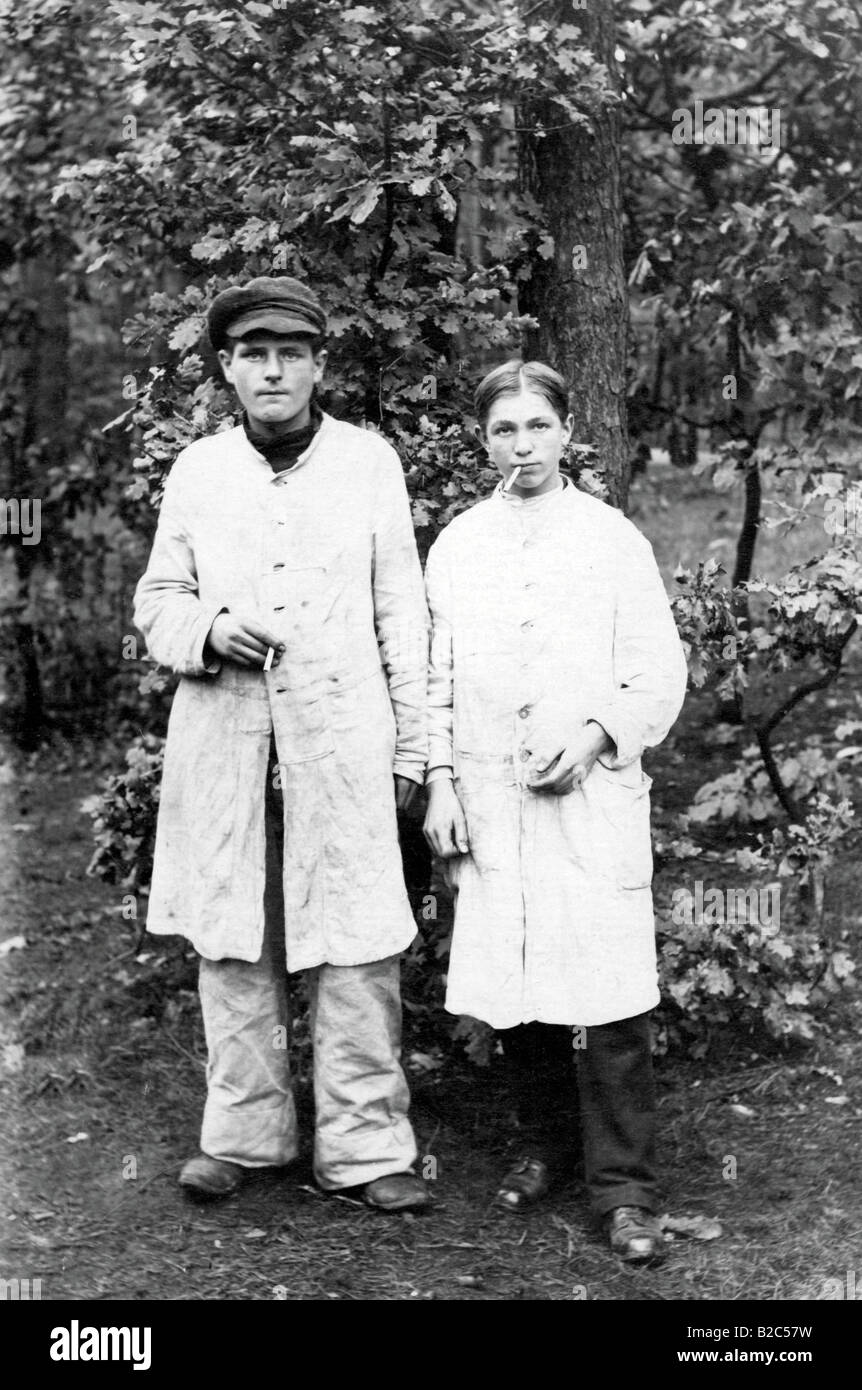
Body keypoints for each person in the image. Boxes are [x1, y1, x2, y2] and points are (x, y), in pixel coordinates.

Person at [134, 275, 431, 1212]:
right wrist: (209, 628)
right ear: (226, 367)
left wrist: (415, 752)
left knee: (356, 939)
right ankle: (244, 1135)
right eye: (254, 355)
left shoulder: (368, 464)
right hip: (224, 743)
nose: (273, 370)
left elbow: (403, 614)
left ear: (317, 367)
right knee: (231, 937)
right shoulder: (199, 472)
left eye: (291, 354)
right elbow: (157, 601)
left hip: (341, 737)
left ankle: (369, 1146)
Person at [423, 359, 688, 1261]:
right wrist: (443, 784)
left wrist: (594, 735)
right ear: (483, 438)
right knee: (520, 985)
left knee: (609, 993)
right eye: (505, 429)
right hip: (494, 798)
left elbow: (659, 673)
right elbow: (434, 679)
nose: (522, 445)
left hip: (591, 797)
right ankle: (547, 1148)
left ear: (568, 431)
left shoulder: (611, 540)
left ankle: (626, 1189)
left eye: (539, 426)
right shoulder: (459, 544)